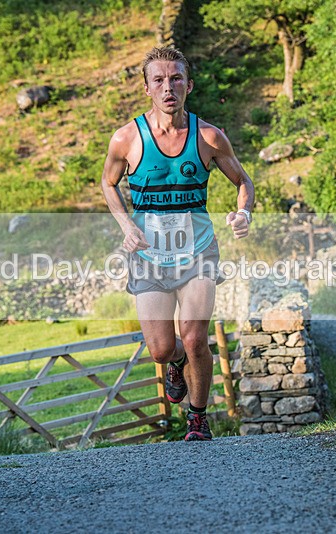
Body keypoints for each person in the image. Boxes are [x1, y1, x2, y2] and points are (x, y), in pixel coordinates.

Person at [101, 47, 254, 441]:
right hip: (149, 257)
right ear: (147, 87)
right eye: (159, 80)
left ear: (188, 84)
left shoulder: (208, 136)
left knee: (194, 335)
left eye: (176, 79)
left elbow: (243, 183)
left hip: (198, 251)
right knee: (161, 347)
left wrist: (244, 213)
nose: (168, 87)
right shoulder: (126, 138)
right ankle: (176, 363)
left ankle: (198, 420)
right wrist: (125, 224)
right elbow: (108, 183)